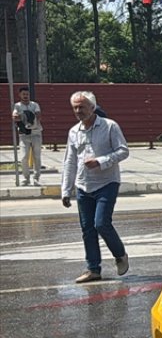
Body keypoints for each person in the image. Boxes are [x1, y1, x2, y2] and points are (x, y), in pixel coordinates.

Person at [61, 91, 130, 284]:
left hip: (107, 183)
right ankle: (93, 269)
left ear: (92, 107)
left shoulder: (109, 126)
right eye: (74, 107)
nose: (78, 111)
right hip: (84, 185)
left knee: (101, 223)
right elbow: (70, 162)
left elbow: (123, 151)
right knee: (87, 229)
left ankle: (120, 254)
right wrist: (66, 190)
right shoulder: (74, 131)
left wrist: (101, 161)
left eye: (81, 107)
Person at [11, 86, 42, 186]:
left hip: (36, 133)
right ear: (20, 95)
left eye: (27, 94)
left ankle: (36, 178)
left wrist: (24, 116)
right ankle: (26, 178)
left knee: (37, 156)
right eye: (23, 94)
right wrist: (25, 115)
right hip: (24, 135)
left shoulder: (34, 104)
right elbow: (15, 117)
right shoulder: (17, 106)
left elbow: (38, 115)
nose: (25, 96)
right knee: (24, 157)